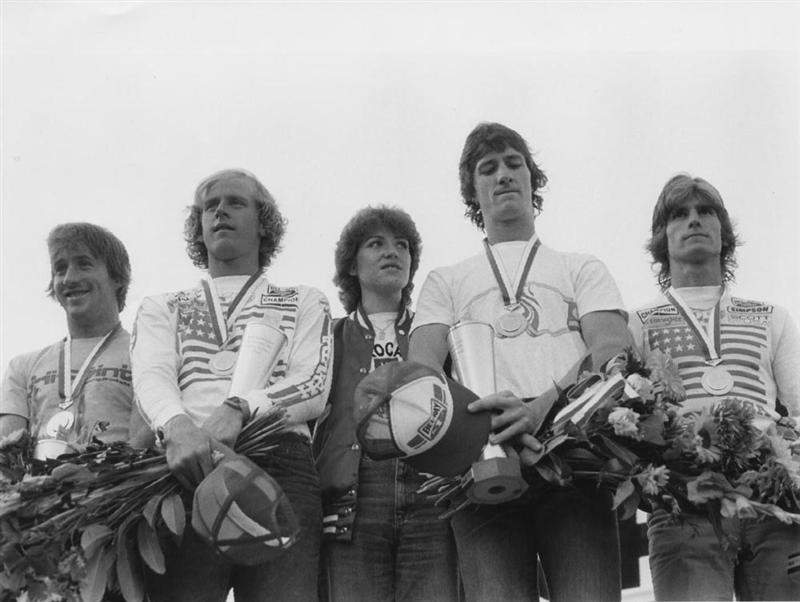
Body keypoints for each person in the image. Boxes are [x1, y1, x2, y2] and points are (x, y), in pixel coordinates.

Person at [409, 122, 631, 602]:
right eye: (488, 168)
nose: (504, 174)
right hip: (481, 460)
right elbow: (422, 373)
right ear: (473, 190)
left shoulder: (581, 267)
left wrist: (541, 410)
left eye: (515, 163)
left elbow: (612, 349)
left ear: (534, 179)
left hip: (575, 458)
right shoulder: (445, 281)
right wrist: (485, 424)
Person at [131, 168, 333, 601]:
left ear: (264, 223)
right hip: (188, 463)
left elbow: (313, 384)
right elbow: (151, 376)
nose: (219, 210)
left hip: (280, 458)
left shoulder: (303, 298)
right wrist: (178, 426)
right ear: (198, 227)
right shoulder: (162, 306)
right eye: (209, 206)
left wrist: (240, 408)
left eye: (235, 202)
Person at [629, 174, 800, 601]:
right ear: (661, 237)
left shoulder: (771, 316)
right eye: (679, 214)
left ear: (724, 233)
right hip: (685, 508)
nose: (694, 221)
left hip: (773, 506)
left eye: (706, 212)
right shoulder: (635, 322)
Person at [313, 206, 459, 601]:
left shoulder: (440, 333)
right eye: (375, 244)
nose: (391, 252)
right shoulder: (328, 336)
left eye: (402, 245)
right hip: (353, 497)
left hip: (431, 491)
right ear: (352, 266)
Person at [0, 222, 149, 448]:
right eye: (60, 268)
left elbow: (144, 447)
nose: (69, 278)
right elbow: (6, 457)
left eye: (84, 264)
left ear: (118, 277)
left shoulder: (146, 354)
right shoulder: (22, 367)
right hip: (37, 482)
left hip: (116, 480)